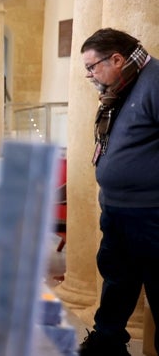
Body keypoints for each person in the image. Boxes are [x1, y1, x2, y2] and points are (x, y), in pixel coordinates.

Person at [78, 28, 159, 356]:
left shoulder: (154, 81)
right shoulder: (121, 87)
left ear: (117, 59)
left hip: (151, 214)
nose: (90, 75)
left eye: (93, 66)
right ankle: (107, 344)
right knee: (116, 282)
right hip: (117, 210)